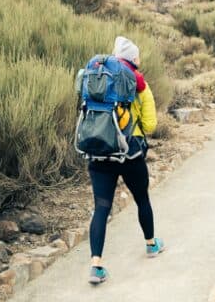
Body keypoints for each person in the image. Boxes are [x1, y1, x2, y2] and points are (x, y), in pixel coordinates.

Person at [87, 36, 163, 285]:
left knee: (101, 207)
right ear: (133, 60)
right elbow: (150, 125)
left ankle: (96, 266)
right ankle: (151, 245)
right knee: (142, 198)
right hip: (129, 153)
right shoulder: (139, 85)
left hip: (99, 151)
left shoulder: (97, 78)